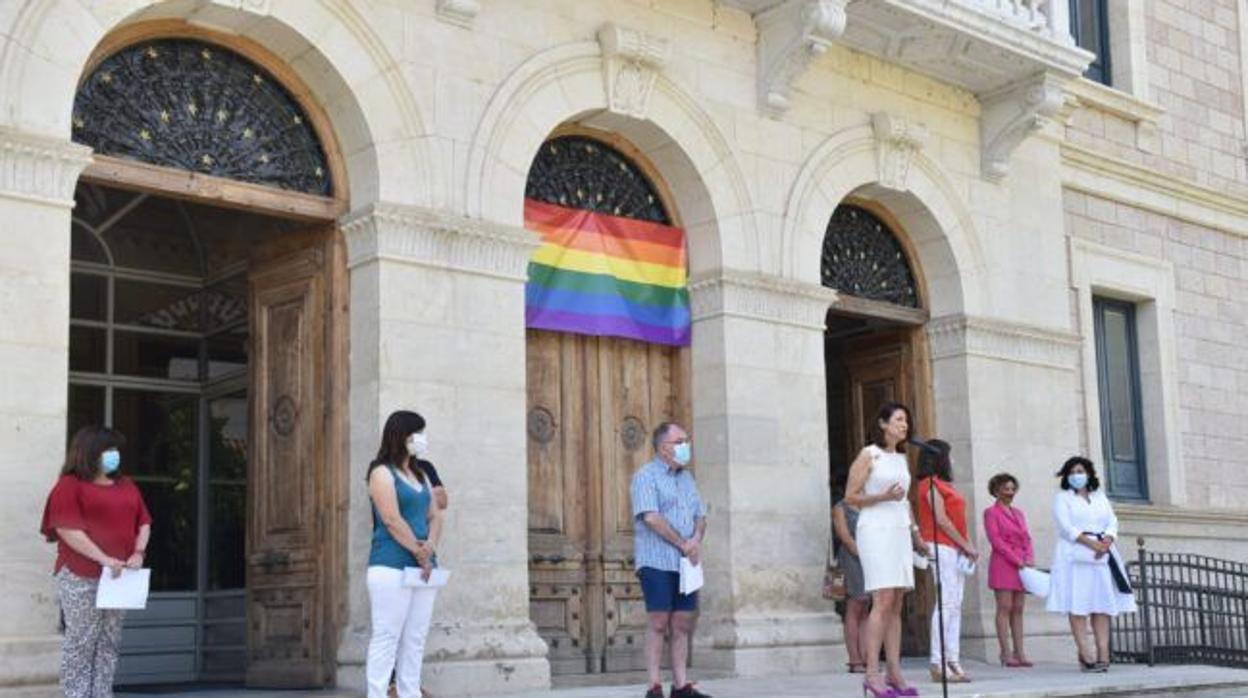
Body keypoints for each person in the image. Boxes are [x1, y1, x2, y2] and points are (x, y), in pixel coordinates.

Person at [40, 426, 152, 698]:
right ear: (90, 452)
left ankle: (102, 694)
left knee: (109, 642)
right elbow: (67, 529)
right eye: (108, 450)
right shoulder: (69, 485)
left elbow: (144, 521)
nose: (114, 455)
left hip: (119, 577)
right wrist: (103, 559)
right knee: (81, 641)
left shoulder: (126, 485)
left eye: (116, 450)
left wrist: (138, 552)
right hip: (81, 575)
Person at [845, 402, 927, 698]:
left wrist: (916, 534)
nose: (904, 425)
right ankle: (871, 672)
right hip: (875, 529)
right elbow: (850, 497)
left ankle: (894, 670)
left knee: (896, 602)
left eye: (906, 420)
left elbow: (904, 501)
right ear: (883, 423)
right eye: (899, 419)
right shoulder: (869, 454)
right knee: (881, 599)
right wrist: (881, 496)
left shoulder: (902, 458)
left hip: (899, 531)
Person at [366, 411, 444, 698]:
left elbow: (435, 515)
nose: (423, 439)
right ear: (402, 436)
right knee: (387, 637)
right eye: (418, 433)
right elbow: (391, 518)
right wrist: (418, 550)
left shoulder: (421, 474)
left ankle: (409, 693)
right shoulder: (381, 472)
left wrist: (430, 548)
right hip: (390, 565)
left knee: (415, 638)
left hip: (423, 568)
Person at [630, 422, 711, 698]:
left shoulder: (687, 479)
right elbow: (651, 517)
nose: (685, 446)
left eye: (685, 440)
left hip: (686, 564)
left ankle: (680, 686)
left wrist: (695, 541)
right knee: (659, 622)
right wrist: (682, 543)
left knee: (682, 623)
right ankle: (654, 686)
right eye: (680, 441)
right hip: (656, 561)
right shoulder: (646, 476)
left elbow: (700, 515)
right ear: (663, 447)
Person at [1046, 456, 1136, 673]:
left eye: (1081, 471)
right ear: (1067, 476)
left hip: (1102, 555)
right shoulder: (1063, 498)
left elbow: (1112, 521)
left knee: (1101, 604)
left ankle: (1103, 652)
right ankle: (1086, 653)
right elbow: (1066, 527)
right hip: (1075, 555)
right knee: (1078, 604)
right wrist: (1090, 544)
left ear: (1089, 473)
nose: (1077, 475)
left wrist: (1107, 540)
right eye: (1073, 472)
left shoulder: (1099, 497)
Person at [915, 438, 976, 683]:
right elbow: (941, 519)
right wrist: (966, 544)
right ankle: (937, 661)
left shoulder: (944, 484)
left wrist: (966, 545)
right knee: (946, 604)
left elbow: (958, 518)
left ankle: (952, 658)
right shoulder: (929, 484)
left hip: (954, 547)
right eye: (948, 455)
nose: (951, 460)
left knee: (955, 604)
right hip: (940, 545)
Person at [983, 472, 1035, 668]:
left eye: (1013, 489)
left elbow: (1027, 537)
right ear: (996, 491)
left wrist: (1029, 558)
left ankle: (1020, 651)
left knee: (1019, 609)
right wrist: (1016, 560)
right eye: (1006, 489)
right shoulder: (991, 512)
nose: (1010, 492)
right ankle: (1005, 652)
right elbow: (995, 540)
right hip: (1004, 564)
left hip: (1022, 565)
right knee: (1004, 607)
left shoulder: (1019, 513)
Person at [832, 497, 870, 674]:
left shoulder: (870, 503)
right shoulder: (841, 507)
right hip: (853, 558)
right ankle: (854, 659)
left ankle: (866, 656)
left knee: (865, 608)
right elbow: (845, 537)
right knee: (855, 605)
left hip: (871, 558)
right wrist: (865, 556)